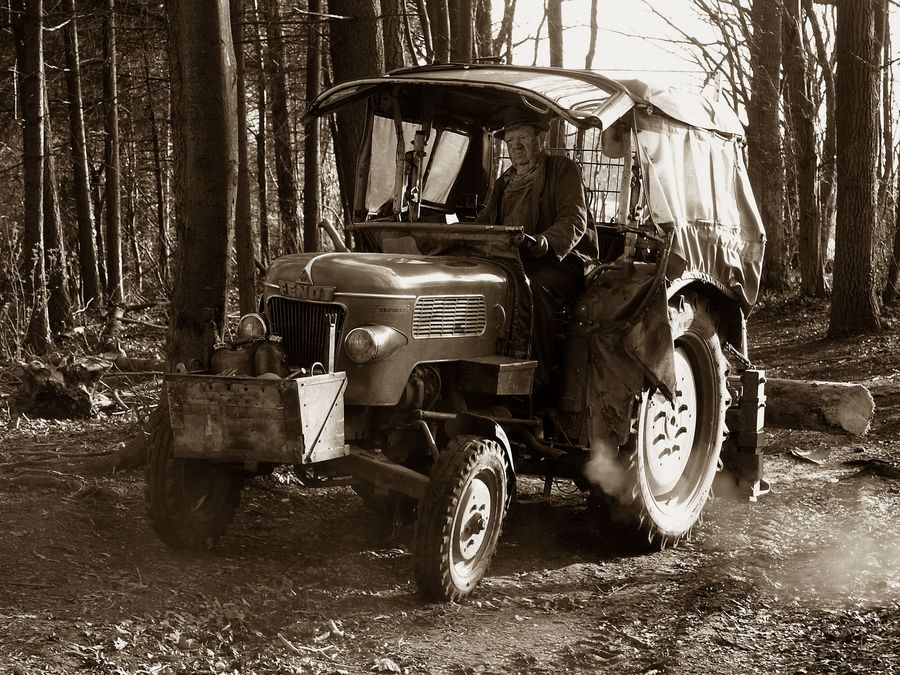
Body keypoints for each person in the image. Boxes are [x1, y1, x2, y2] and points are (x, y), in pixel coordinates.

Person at [477, 116, 596, 391]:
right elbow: (485, 220)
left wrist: (544, 241)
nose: (515, 147)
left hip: (563, 260)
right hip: (511, 258)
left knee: (533, 286)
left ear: (541, 140)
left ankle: (536, 377)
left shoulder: (562, 170)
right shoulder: (504, 182)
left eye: (522, 139)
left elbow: (574, 219)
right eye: (510, 142)